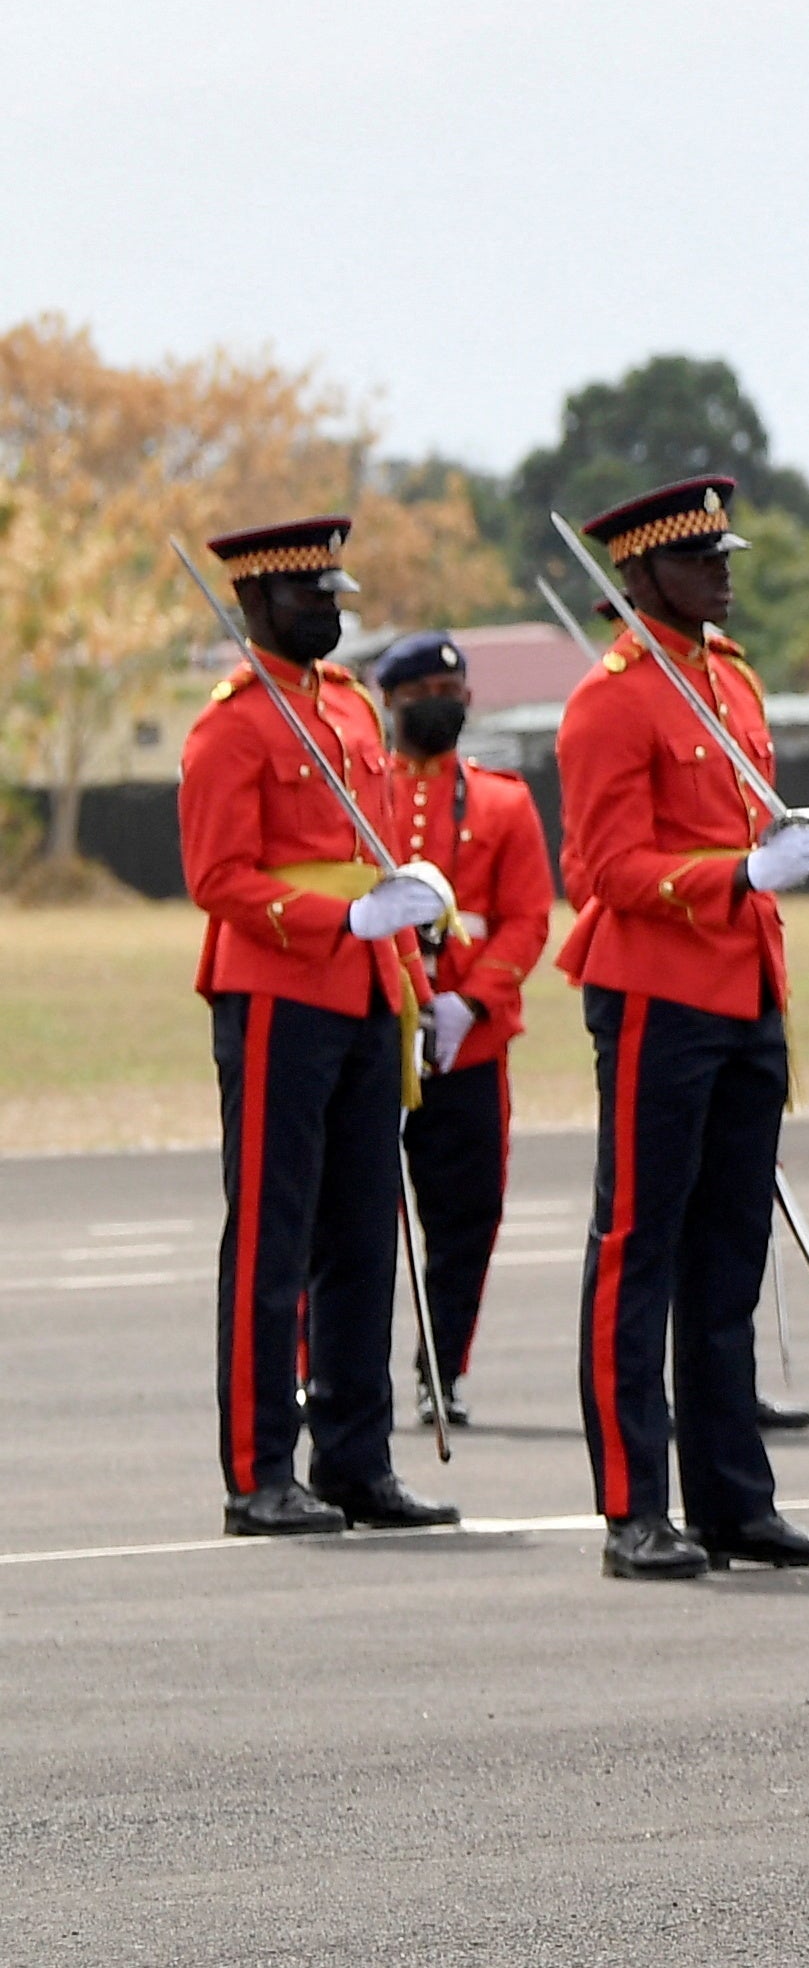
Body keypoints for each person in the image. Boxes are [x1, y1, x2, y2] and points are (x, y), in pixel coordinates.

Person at [552, 475, 809, 1577]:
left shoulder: (728, 678)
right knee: (638, 1247)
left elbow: (745, 822)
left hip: (745, 988)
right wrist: (737, 870)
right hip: (656, 994)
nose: (724, 570)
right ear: (639, 575)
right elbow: (603, 869)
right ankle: (635, 1507)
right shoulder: (612, 699)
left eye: (724, 553)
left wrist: (790, 848)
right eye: (700, 558)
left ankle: (735, 1501)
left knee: (730, 1259)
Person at [177, 515, 458, 1537]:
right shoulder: (232, 725)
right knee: (271, 1235)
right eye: (308, 598)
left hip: (367, 989)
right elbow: (217, 878)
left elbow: (369, 841)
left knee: (360, 1233)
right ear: (254, 603)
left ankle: (354, 1458)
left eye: (334, 594)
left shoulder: (344, 706)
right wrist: (338, 913)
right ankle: (258, 1470)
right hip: (276, 990)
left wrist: (400, 925)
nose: (330, 613)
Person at [372, 630, 554, 1406]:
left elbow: (526, 920)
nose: (440, 708)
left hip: (467, 1039)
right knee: (349, 1214)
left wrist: (469, 1002)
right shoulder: (364, 790)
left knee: (468, 1211)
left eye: (452, 696)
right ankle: (327, 1371)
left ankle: (442, 1369)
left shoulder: (503, 800)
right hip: (378, 1029)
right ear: (390, 701)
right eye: (423, 697)